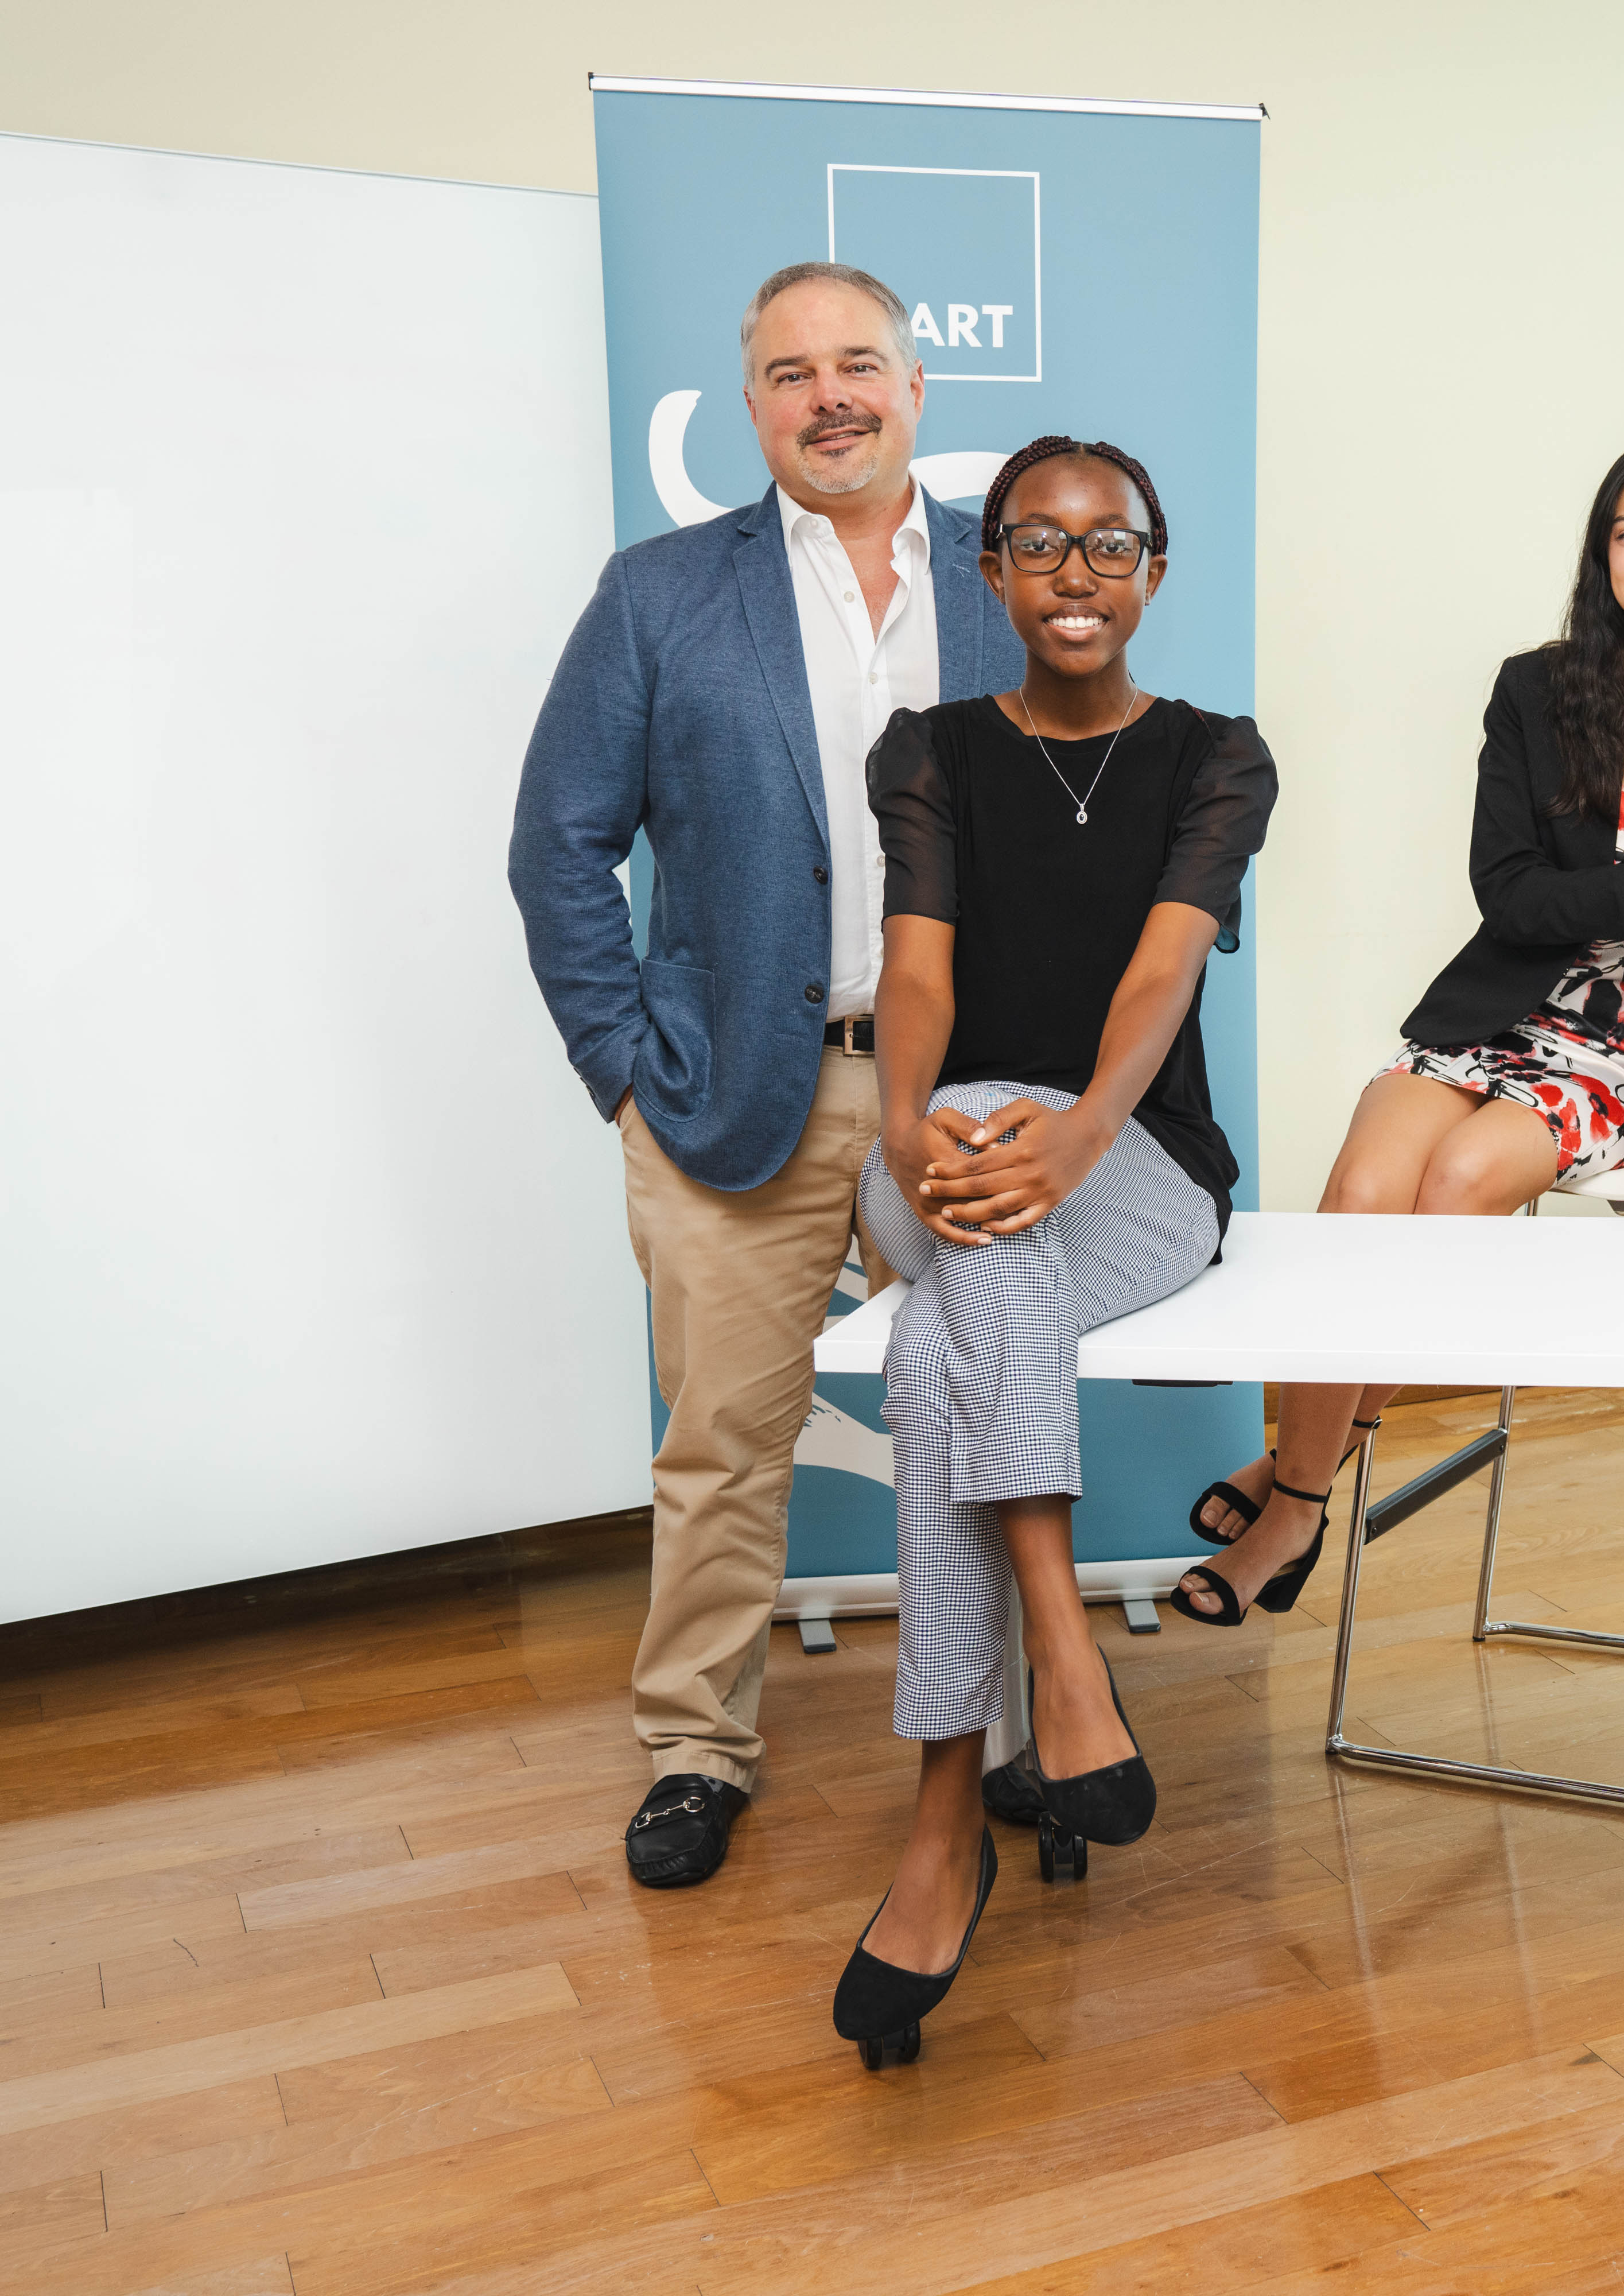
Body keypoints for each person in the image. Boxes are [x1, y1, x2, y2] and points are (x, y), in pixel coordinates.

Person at [1170, 436, 1624, 1626]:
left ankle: (1299, 1489)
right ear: (1602, 554)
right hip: (1501, 1009)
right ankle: (1313, 1474)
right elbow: (1507, 894)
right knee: (1360, 1194)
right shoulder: (1538, 691)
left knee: (1454, 1186)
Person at [511, 262, 1024, 1890]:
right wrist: (620, 1071)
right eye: (791, 373)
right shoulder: (660, 593)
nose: (829, 396)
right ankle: (694, 1748)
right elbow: (560, 846)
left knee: (989, 1421)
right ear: (753, 409)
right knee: (726, 1443)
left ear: (918, 389)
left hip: (965, 1097)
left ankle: (1000, 1727)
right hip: (738, 1090)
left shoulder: (1012, 584)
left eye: (859, 362)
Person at [828, 434, 1276, 2065]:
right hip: (936, 1147)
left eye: (1111, 544)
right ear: (993, 572)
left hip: (1139, 1161)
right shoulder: (930, 751)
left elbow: (1161, 979)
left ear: (1154, 571)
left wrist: (1079, 1129)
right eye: (1038, 542)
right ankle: (1061, 1634)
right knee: (979, 1200)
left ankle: (944, 1822)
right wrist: (901, 1126)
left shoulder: (1220, 757)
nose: (1076, 572)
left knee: (953, 1336)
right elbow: (919, 973)